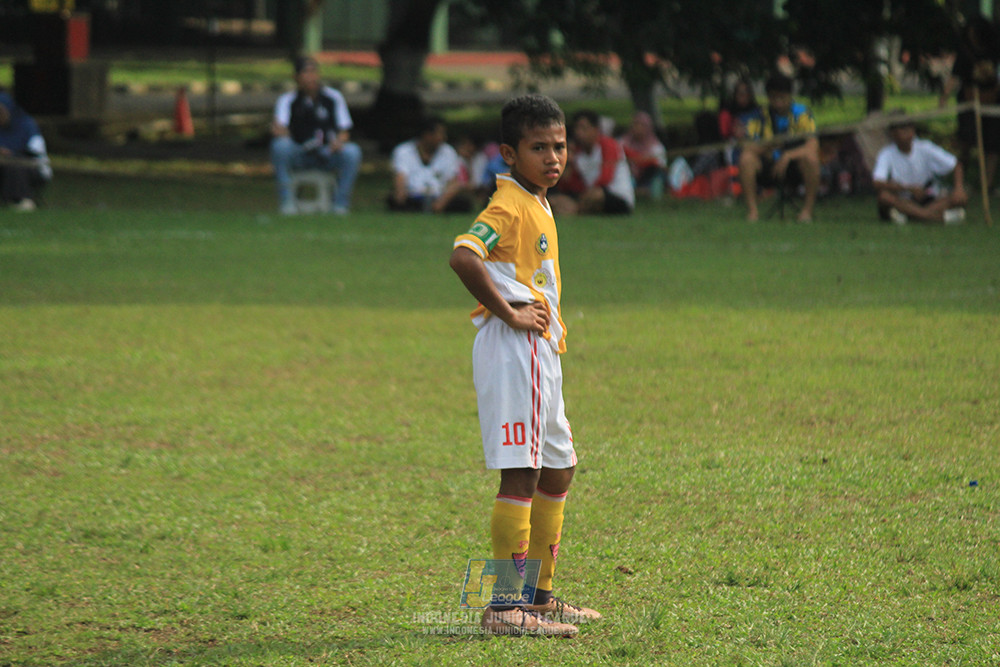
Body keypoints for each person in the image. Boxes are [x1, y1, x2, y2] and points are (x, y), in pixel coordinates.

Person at [449, 94, 602, 637]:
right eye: (539, 147)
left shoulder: (538, 200)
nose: (553, 156)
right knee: (523, 470)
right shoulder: (509, 204)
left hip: (542, 350)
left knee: (558, 468)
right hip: (517, 349)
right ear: (510, 154)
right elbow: (463, 254)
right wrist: (509, 312)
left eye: (559, 146)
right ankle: (503, 607)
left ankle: (538, 598)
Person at [270, 56, 362, 215]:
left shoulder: (333, 98)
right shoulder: (287, 101)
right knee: (280, 146)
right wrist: (289, 134)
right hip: (300, 151)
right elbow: (279, 130)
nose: (311, 77)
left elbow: (344, 131)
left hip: (327, 152)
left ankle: (340, 203)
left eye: (314, 72)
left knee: (352, 152)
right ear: (296, 77)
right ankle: (287, 201)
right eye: (306, 72)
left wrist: (337, 143)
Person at [738, 73, 821, 222]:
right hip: (768, 165)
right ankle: (752, 212)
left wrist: (788, 155)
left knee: (811, 159)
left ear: (790, 96)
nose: (778, 103)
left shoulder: (802, 113)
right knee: (746, 159)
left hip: (794, 166)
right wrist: (768, 147)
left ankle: (807, 211)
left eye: (782, 98)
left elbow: (813, 145)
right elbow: (748, 146)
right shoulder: (759, 115)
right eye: (774, 98)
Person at [939, 16, 1000, 193]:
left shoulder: (994, 49)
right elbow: (955, 76)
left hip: (992, 105)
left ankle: (986, 185)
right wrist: (944, 98)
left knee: (993, 145)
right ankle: (960, 184)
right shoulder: (965, 52)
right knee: (965, 142)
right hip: (969, 103)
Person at [872, 115, 968, 225]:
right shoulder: (887, 153)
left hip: (930, 196)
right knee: (884, 197)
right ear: (893, 134)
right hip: (905, 198)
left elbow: (955, 164)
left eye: (909, 129)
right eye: (902, 129)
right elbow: (877, 182)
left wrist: (959, 188)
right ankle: (934, 217)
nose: (907, 133)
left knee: (960, 198)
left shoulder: (925, 147)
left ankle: (912, 216)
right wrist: (908, 188)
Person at [550, 109, 635, 215]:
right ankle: (577, 209)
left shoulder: (608, 145)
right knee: (555, 200)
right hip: (588, 194)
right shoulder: (577, 153)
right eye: (577, 128)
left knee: (596, 194)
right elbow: (572, 184)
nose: (579, 133)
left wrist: (583, 196)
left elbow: (605, 178)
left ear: (595, 129)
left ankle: (576, 210)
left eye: (584, 128)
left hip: (615, 195)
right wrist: (568, 164)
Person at [388, 115, 471, 213]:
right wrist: (400, 194)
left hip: (438, 195)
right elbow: (400, 176)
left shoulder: (448, 151)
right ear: (427, 135)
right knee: (393, 200)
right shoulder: (403, 151)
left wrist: (442, 201)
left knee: (463, 203)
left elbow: (454, 180)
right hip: (414, 195)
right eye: (440, 133)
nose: (444, 137)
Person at [0, 91, 51, 211]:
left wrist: (11, 153)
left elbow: (36, 152)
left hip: (31, 167)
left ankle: (21, 200)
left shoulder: (27, 125)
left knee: (16, 165)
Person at [619, 111, 667, 198]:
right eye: (635, 124)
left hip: (647, 177)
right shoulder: (623, 142)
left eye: (641, 125)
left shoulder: (656, 147)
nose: (636, 128)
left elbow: (660, 166)